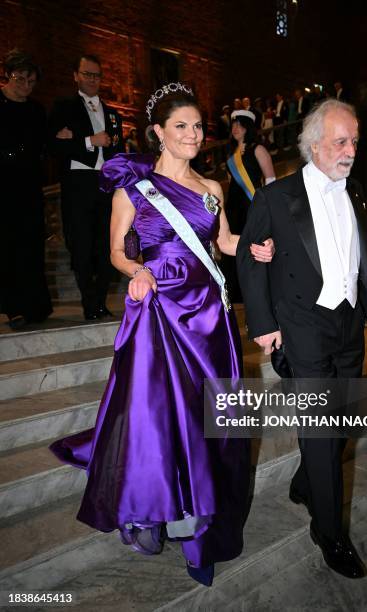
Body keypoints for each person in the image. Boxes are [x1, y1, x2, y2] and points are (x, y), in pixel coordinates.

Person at [49, 83, 274, 587]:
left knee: (207, 418)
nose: (193, 134)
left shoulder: (214, 189)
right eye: (181, 126)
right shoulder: (134, 187)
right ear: (158, 132)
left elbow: (225, 242)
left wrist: (254, 248)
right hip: (160, 314)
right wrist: (137, 272)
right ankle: (174, 519)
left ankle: (201, 519)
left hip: (210, 319)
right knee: (164, 419)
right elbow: (116, 252)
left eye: (197, 126)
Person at [237, 99, 367, 579]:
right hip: (302, 327)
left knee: (341, 422)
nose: (350, 150)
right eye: (341, 141)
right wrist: (262, 321)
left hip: (347, 327)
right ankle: (330, 533)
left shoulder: (356, 193)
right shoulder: (275, 197)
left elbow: (357, 265)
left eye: (355, 142)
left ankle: (307, 479)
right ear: (314, 144)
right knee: (323, 429)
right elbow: (248, 256)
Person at [48, 54, 124, 320]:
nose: (92, 79)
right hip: (78, 185)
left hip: (107, 185)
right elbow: (55, 146)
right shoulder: (63, 108)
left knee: (108, 245)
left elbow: (119, 152)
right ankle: (89, 303)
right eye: (87, 74)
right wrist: (90, 140)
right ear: (76, 75)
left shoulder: (113, 113)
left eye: (96, 75)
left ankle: (101, 301)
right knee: (80, 246)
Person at [0, 49, 52, 329]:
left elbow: (42, 144)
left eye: (31, 82)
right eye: (21, 79)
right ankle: (13, 308)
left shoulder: (35, 109)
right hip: (3, 186)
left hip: (30, 185)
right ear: (8, 75)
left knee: (32, 243)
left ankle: (36, 304)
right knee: (8, 246)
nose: (26, 86)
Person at [223, 109, 276, 302]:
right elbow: (231, 183)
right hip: (233, 209)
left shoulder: (258, 149)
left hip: (254, 206)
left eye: (239, 124)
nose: (235, 128)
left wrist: (271, 209)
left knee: (255, 248)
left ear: (248, 127)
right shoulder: (230, 155)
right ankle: (236, 295)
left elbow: (271, 180)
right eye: (233, 125)